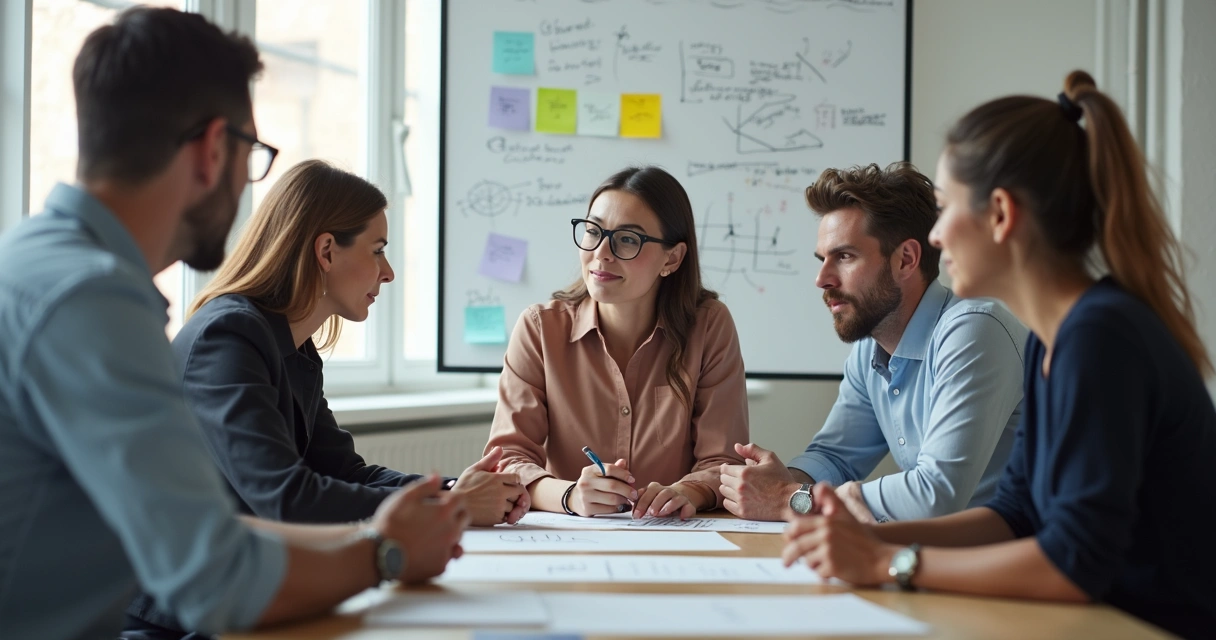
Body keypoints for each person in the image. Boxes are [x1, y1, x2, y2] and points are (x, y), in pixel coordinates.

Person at [0, 9, 466, 639]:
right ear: (214, 149)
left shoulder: (37, 260)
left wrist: (415, 516)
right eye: (253, 153)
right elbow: (215, 576)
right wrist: (386, 554)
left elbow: (198, 530)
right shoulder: (93, 298)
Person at [780, 71, 1216, 639]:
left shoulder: (1101, 336)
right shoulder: (1049, 340)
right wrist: (868, 539)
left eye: (944, 207)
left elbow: (1072, 562)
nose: (934, 238)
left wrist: (888, 563)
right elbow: (1014, 516)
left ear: (1002, 214)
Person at [122, 160, 528, 638]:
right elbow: (287, 499)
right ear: (327, 251)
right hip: (181, 616)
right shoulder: (228, 338)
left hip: (251, 592)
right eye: (378, 250)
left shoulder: (291, 346)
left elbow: (344, 471)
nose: (390, 272)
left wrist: (457, 489)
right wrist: (452, 505)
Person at [720, 163, 1027, 523]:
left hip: (1017, 560)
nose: (822, 279)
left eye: (845, 256)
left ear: (906, 260)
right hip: (940, 554)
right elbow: (835, 457)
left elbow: (936, 493)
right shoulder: (871, 348)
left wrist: (791, 498)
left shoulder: (973, 332)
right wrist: (777, 482)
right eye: (822, 260)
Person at [485, 165, 748, 520]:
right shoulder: (540, 329)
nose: (601, 253)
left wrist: (687, 492)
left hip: (674, 537)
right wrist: (570, 496)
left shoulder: (709, 326)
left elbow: (725, 461)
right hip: (570, 541)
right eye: (593, 231)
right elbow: (507, 462)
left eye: (627, 239)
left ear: (672, 258)